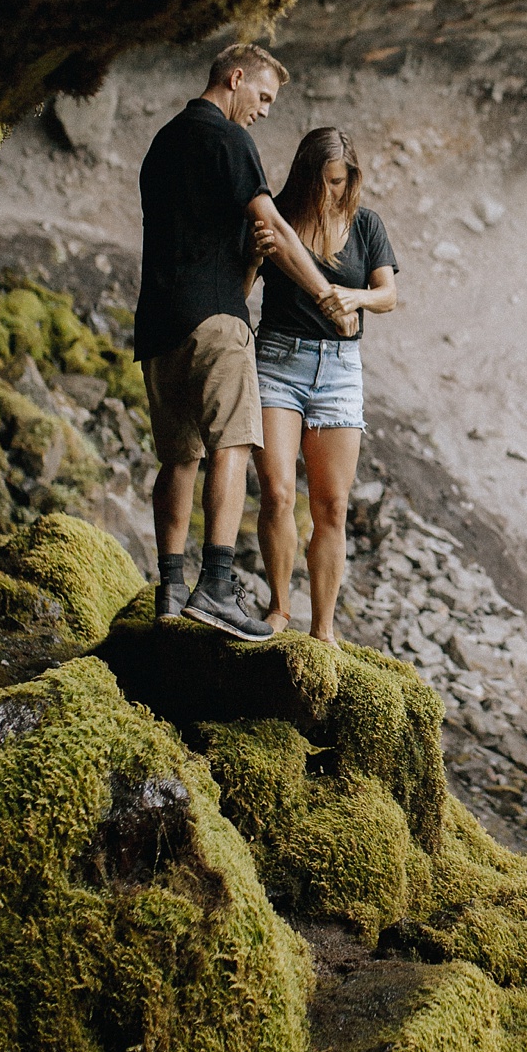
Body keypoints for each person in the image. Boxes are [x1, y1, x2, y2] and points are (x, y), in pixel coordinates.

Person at [134, 44, 344, 640]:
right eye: (264, 96)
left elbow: (211, 237)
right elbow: (274, 226)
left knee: (178, 456)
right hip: (215, 324)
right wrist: (324, 292)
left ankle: (171, 588)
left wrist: (245, 257)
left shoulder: (161, 145)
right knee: (232, 444)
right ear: (235, 79)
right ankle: (217, 587)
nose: (266, 111)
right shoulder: (228, 140)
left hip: (157, 323)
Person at [249, 127, 398, 644]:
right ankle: (278, 610)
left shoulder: (366, 225)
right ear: (306, 177)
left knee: (332, 505)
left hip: (339, 371)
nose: (333, 192)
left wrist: (352, 298)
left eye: (342, 181)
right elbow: (241, 286)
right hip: (277, 362)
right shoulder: (279, 219)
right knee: (277, 492)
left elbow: (388, 295)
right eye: (326, 182)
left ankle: (324, 629)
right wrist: (253, 253)